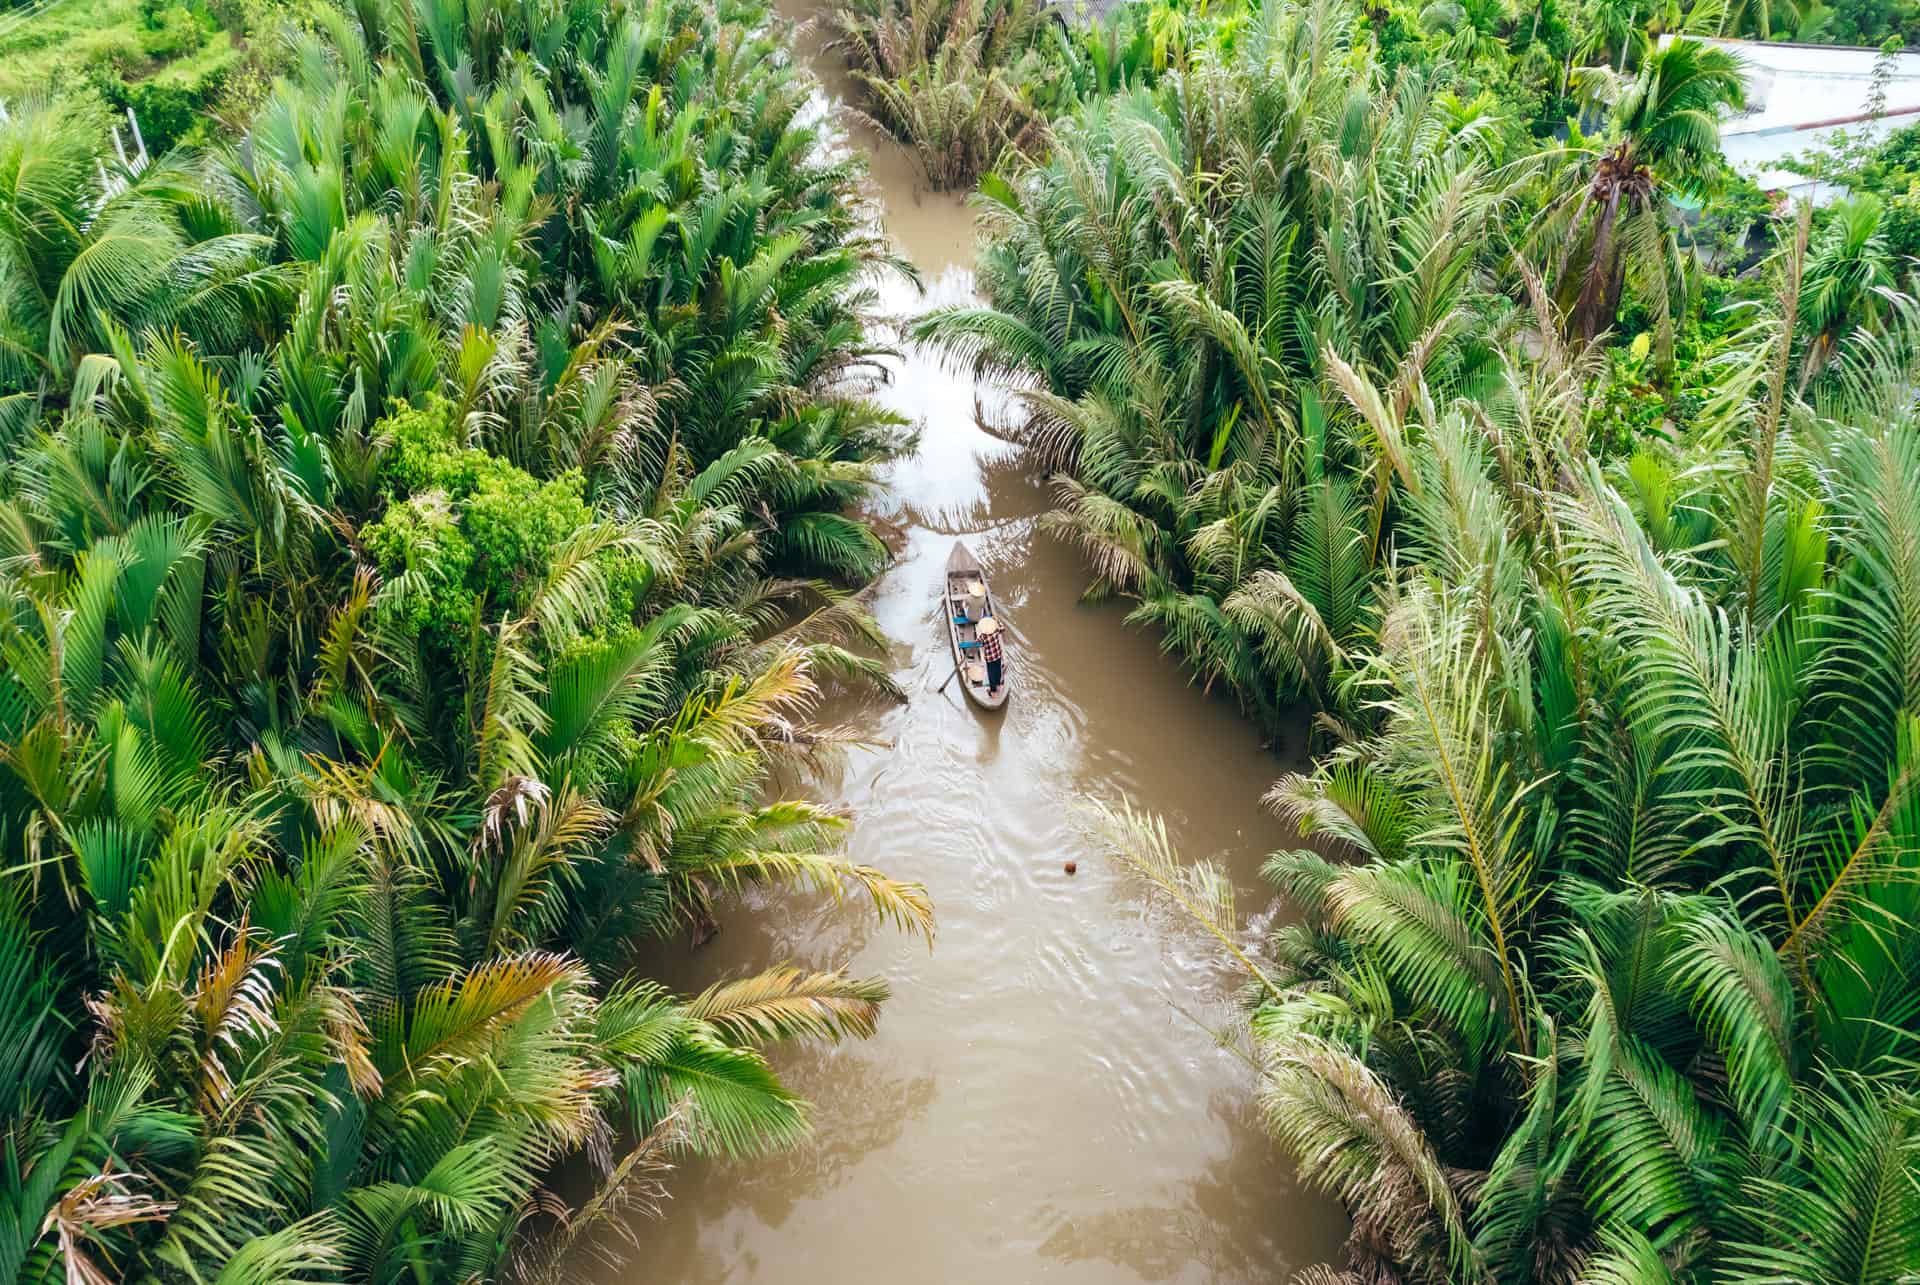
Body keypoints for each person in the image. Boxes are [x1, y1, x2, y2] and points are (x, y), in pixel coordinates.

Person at [977, 615, 1004, 695]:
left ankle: (993, 691)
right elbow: (1003, 628)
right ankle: (998, 685)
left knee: (991, 673)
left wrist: (976, 641)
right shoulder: (996, 630)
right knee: (998, 669)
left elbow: (978, 641)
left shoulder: (983, 636)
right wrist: (998, 621)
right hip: (998, 654)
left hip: (990, 658)